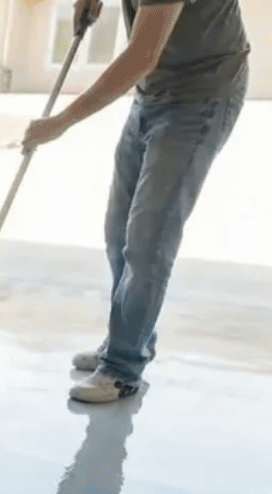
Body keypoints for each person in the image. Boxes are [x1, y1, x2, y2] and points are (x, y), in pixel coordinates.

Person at [23, 0, 250, 404]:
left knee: (148, 240)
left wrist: (62, 121)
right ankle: (127, 339)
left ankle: (123, 368)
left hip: (200, 96)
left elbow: (142, 55)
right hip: (153, 93)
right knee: (119, 232)